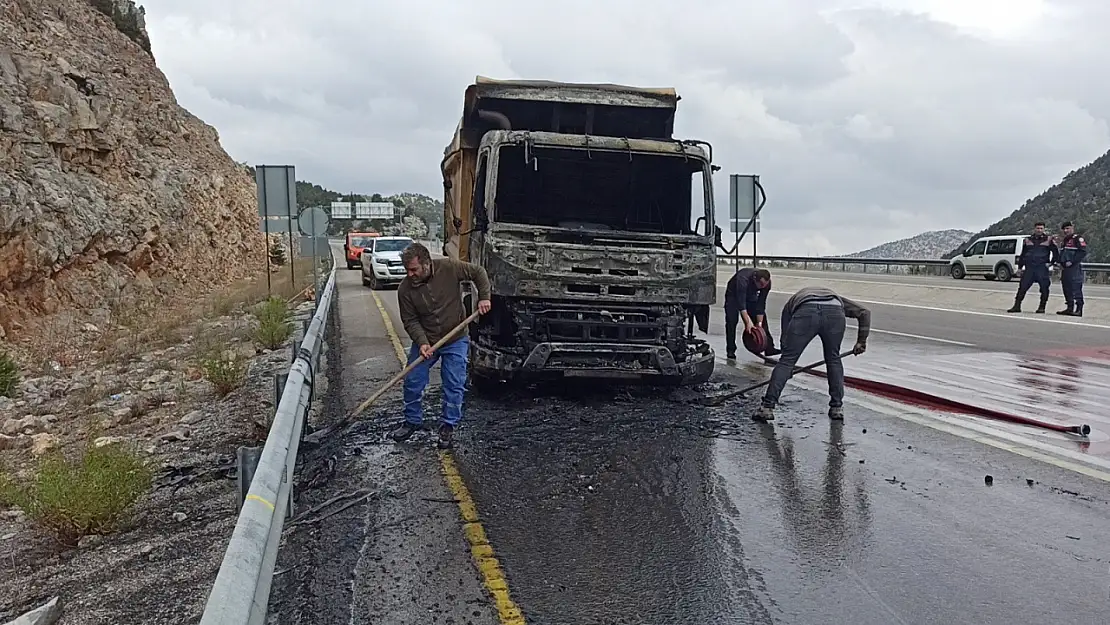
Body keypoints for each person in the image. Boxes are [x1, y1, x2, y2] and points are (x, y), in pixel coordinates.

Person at [392, 243, 491, 449]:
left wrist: (484, 297)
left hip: (455, 338)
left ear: (427, 264)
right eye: (407, 270)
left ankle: (448, 425)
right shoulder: (405, 290)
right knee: (412, 380)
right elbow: (410, 321)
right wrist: (422, 343)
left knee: (454, 383)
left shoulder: (449, 268)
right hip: (427, 341)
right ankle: (412, 421)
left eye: (414, 269)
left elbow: (478, 272)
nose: (410, 274)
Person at [756, 286, 870, 423]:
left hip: (805, 312)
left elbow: (786, 335)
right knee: (833, 359)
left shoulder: (792, 304)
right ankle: (837, 408)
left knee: (786, 361)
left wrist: (787, 367)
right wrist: (861, 341)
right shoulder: (836, 300)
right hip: (834, 315)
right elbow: (864, 312)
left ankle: (767, 408)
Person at [724, 267, 781, 360]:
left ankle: (769, 348)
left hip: (750, 296)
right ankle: (731, 350)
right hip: (733, 296)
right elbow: (741, 304)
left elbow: (761, 304)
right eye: (761, 284)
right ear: (755, 279)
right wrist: (748, 323)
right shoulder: (742, 279)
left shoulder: (766, 284)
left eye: (765, 285)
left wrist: (759, 325)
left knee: (763, 321)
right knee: (731, 320)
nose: (763, 287)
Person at [1007, 222, 1059, 314]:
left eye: (1041, 228)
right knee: (1022, 287)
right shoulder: (1028, 240)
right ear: (1034, 229)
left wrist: (1051, 263)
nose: (1039, 230)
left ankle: (1042, 307)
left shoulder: (1048, 240)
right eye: (1038, 228)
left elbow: (1055, 253)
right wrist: (1019, 267)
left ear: (1044, 229)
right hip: (1029, 268)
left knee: (1044, 288)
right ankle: (1017, 306)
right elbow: (1023, 255)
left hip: (1042, 268)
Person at [1056, 221, 1088, 317]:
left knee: (1076, 288)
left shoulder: (1077, 239)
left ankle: (1079, 309)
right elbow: (1063, 254)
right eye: (1064, 229)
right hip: (1065, 268)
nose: (1066, 231)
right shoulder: (1065, 240)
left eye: (1068, 228)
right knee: (1066, 288)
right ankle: (1069, 308)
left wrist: (1073, 261)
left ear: (1072, 228)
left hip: (1074, 268)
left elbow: (1082, 252)